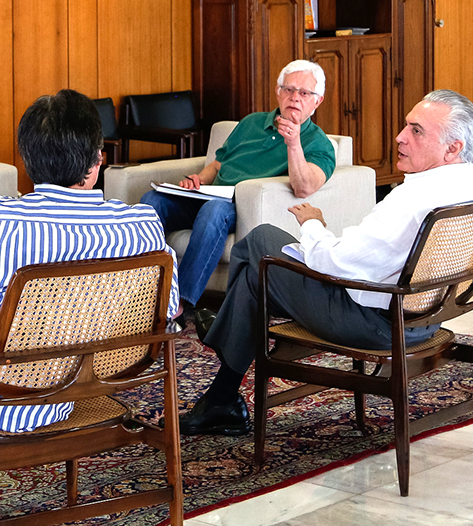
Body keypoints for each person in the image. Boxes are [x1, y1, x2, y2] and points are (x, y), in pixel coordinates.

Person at [0, 89, 179, 505]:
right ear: (98, 159)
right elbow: (168, 311)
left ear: (26, 162)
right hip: (86, 386)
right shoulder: (140, 223)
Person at [179, 90, 473, 436]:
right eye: (406, 126)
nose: (400, 137)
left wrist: (313, 222)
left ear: (453, 148)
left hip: (376, 323)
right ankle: (224, 378)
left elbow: (335, 264)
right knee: (256, 277)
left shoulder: (412, 198)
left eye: (416, 131)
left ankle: (227, 355)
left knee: (260, 244)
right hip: (427, 317)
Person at [139, 60, 336, 329]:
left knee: (214, 211)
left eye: (304, 93)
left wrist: (293, 143)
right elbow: (219, 164)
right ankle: (139, 293)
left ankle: (179, 304)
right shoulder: (251, 123)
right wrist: (198, 179)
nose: (295, 98)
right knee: (151, 203)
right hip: (206, 195)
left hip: (238, 208)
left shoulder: (319, 144)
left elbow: (303, 187)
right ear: (278, 92)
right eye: (289, 90)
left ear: (318, 101)